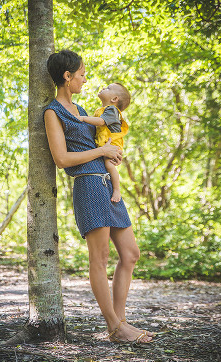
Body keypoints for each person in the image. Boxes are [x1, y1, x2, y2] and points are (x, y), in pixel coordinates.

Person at [43, 49, 153, 343]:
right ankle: (115, 327)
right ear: (67, 77)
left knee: (130, 254)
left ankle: (120, 322)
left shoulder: (81, 108)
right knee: (100, 259)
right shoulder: (54, 112)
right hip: (88, 185)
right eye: (80, 74)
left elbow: (106, 133)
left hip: (106, 183)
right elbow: (62, 159)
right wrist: (103, 151)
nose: (85, 78)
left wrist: (111, 151)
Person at [77, 82, 131, 203]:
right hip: (105, 144)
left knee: (109, 165)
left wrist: (83, 118)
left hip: (113, 144)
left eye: (108, 88)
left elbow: (101, 122)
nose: (103, 88)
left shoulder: (112, 110)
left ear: (114, 99)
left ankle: (117, 189)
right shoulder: (103, 110)